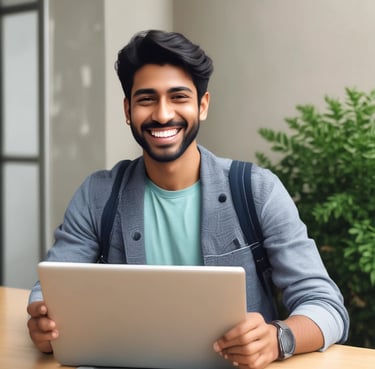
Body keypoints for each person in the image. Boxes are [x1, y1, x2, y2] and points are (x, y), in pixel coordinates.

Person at [27, 29, 349, 369]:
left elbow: (327, 307)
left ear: (203, 105)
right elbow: (48, 292)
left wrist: (277, 338)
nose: (163, 115)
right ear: (128, 109)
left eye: (178, 97)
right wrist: (43, 324)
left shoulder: (257, 190)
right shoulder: (97, 195)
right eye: (147, 99)